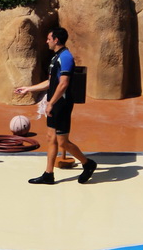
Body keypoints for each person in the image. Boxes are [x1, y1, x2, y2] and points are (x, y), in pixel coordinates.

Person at [15, 27, 98, 185]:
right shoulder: (56, 58)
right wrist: (28, 89)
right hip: (54, 103)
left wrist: (51, 103)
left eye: (49, 39)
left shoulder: (65, 57)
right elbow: (50, 82)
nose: (47, 41)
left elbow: (64, 84)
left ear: (56, 40)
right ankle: (48, 174)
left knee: (62, 142)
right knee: (50, 138)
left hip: (62, 104)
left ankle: (88, 164)